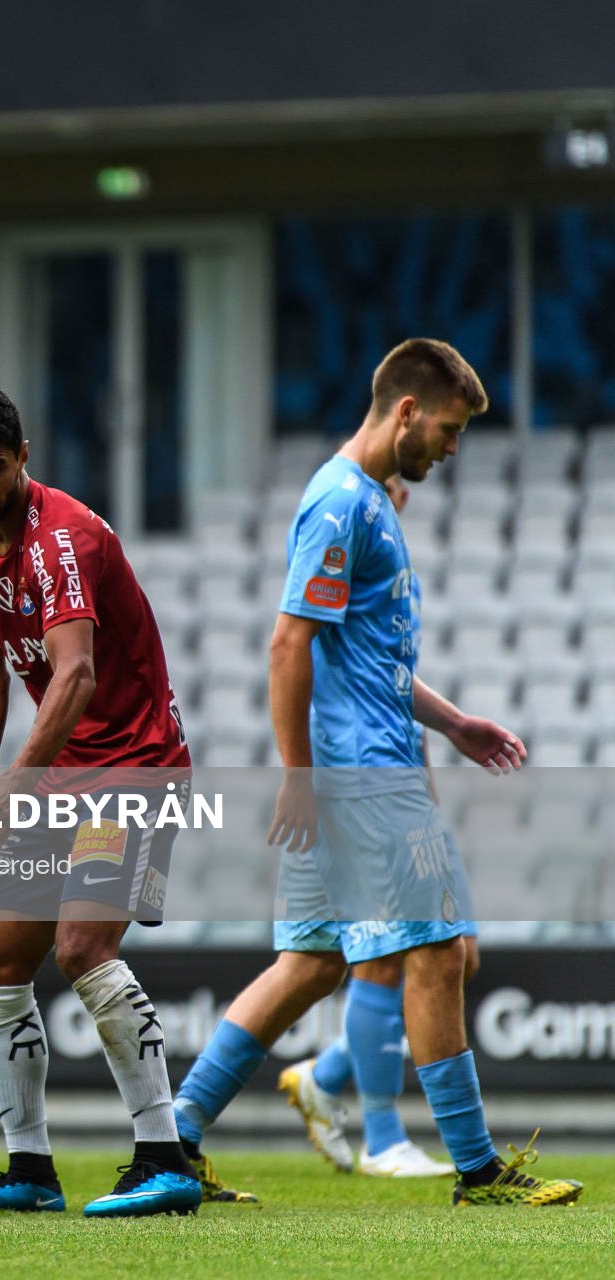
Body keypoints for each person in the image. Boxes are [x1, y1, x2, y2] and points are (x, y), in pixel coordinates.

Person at [169, 338, 581, 1208]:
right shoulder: (342, 506)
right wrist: (299, 776)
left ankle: (173, 1137)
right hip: (363, 776)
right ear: (405, 412)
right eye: (449, 427)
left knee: (312, 965)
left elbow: (369, 660)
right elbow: (289, 643)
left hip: (364, 763)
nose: (452, 447)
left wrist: (454, 721)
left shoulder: (368, 506)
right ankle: (476, 1170)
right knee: (437, 953)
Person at [0, 382, 202, 1219]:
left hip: (135, 764)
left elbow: (74, 673)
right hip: (65, 770)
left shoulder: (63, 539)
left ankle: (165, 1156)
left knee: (83, 947)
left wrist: (16, 784)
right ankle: (29, 1170)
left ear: (25, 459)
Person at [273, 474, 477, 1182]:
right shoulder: (345, 527)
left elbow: (385, 681)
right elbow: (301, 654)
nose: (407, 489)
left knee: (452, 955)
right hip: (357, 778)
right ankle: (384, 1134)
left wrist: (442, 746)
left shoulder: (385, 549)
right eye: (393, 479)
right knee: (389, 959)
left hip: (394, 773)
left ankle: (325, 1079)